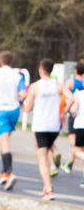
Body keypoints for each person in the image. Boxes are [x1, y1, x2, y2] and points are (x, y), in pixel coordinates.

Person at [22, 58, 64, 201]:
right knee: (47, 153)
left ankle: (49, 189)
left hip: (40, 126)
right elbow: (71, 99)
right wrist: (64, 113)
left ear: (41, 69)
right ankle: (47, 185)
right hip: (54, 126)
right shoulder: (58, 85)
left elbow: (27, 108)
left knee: (41, 158)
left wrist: (30, 103)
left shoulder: (35, 86)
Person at [0, 50, 26, 190]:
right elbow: (23, 94)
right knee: (5, 140)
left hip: (1, 109)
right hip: (14, 110)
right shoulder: (18, 75)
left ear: (0, 61)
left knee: (4, 143)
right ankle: (3, 172)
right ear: (12, 61)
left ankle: (10, 172)